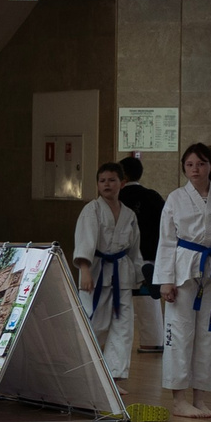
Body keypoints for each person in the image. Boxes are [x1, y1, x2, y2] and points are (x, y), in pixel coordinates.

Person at [156, 142, 211, 420]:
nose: (196, 169)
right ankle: (179, 399)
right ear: (184, 167)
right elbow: (167, 242)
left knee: (209, 335)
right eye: (190, 164)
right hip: (183, 270)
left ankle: (200, 398)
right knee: (180, 332)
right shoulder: (175, 198)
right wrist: (165, 281)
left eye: (201, 164)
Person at [72, 160, 141, 384]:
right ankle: (83, 374)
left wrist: (138, 275)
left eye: (112, 180)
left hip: (121, 274)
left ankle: (114, 379)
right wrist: (84, 270)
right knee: (94, 325)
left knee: (123, 327)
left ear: (122, 183)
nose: (107, 185)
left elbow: (134, 250)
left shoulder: (129, 215)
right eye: (102, 181)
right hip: (95, 273)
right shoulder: (91, 210)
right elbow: (85, 241)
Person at [116, 152, 166, 354]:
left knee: (120, 303)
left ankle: (114, 344)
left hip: (124, 257)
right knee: (148, 299)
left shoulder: (116, 199)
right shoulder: (152, 196)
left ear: (122, 178)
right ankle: (152, 341)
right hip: (151, 255)